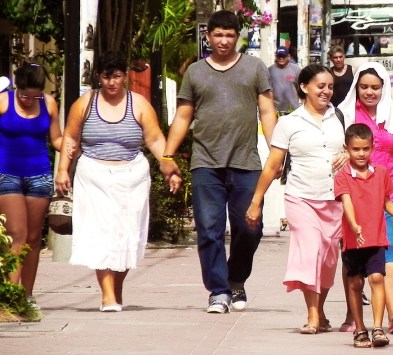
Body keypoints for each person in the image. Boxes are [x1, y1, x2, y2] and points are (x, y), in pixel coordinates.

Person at [159, 10, 277, 314]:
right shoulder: (196, 72)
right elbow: (183, 115)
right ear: (208, 36)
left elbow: (266, 111)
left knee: (250, 228)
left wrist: (278, 149)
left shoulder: (254, 68)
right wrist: (167, 155)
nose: (223, 41)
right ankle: (219, 291)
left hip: (246, 162)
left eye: (229, 35)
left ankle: (236, 277)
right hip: (205, 163)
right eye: (218, 35)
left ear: (237, 37)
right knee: (209, 229)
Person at [55, 50, 181, 312]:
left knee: (126, 235)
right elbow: (70, 138)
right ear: (98, 77)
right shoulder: (85, 103)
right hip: (94, 175)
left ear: (125, 76)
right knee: (101, 234)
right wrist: (63, 171)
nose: (111, 82)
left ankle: (116, 287)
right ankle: (107, 295)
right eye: (106, 76)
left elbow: (156, 139)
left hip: (132, 176)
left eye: (117, 76)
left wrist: (168, 166)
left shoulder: (139, 104)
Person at [245, 64, 347, 334]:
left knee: (327, 259)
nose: (326, 91)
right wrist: (256, 201)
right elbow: (273, 165)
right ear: (305, 87)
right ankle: (312, 314)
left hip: (335, 199)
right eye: (320, 86)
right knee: (310, 251)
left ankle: (321, 311)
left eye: (330, 87)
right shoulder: (289, 123)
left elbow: (354, 148)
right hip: (301, 197)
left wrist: (348, 154)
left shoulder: (339, 117)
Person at [337, 62, 393, 335]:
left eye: (375, 87)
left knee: (390, 251)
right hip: (354, 197)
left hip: (388, 194)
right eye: (364, 87)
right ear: (356, 87)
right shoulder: (344, 114)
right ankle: (353, 315)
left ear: (384, 88)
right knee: (354, 259)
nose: (369, 92)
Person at [0, 62, 62, 309]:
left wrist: (71, 145)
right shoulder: (4, 101)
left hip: (39, 175)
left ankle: (27, 294)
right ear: (17, 87)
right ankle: (11, 295)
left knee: (34, 238)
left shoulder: (48, 104)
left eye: (34, 94)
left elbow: (56, 138)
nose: (28, 100)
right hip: (7, 174)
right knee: (17, 234)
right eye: (24, 94)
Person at [334, 123, 393, 348]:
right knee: (355, 283)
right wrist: (354, 225)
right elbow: (347, 202)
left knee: (377, 278)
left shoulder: (381, 173)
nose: (361, 154)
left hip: (376, 237)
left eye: (365, 149)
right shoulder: (342, 176)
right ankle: (359, 329)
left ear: (372, 148)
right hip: (352, 240)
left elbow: (386, 201)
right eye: (356, 149)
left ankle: (378, 328)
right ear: (347, 149)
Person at [269, 46, 301, 113]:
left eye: (283, 56)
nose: (281, 58)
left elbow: (301, 88)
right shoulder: (270, 70)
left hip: (293, 109)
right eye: (279, 56)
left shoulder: (296, 70)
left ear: (288, 56)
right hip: (276, 110)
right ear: (276, 56)